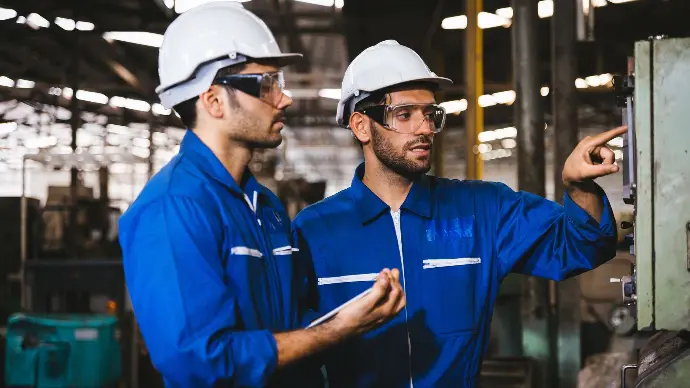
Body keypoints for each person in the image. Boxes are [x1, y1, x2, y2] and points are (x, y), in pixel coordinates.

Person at [292, 40, 623, 387]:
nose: (424, 129)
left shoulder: (482, 210)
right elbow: (294, 350)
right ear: (362, 126)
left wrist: (579, 188)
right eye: (405, 115)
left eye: (430, 114)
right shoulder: (314, 231)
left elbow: (582, 245)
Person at [118, 6, 405, 388]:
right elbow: (199, 363)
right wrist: (335, 331)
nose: (284, 99)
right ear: (214, 101)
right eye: (266, 83)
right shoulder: (174, 209)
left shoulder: (265, 206)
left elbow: (286, 325)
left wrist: (358, 310)